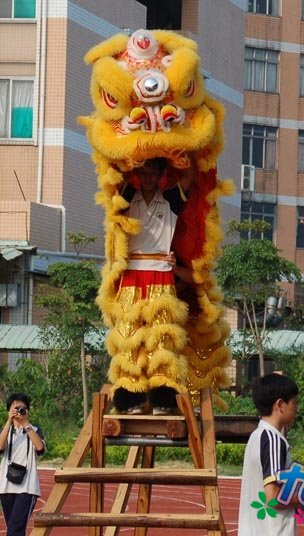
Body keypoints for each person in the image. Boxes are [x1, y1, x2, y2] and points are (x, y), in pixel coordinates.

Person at [109, 157, 192, 415]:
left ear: (160, 174)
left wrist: (181, 151)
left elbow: (189, 176)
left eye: (153, 173)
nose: (147, 178)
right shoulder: (126, 195)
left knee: (162, 336)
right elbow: (112, 173)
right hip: (131, 273)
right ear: (137, 172)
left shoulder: (170, 198)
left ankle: (163, 399)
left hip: (161, 272)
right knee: (129, 335)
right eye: (143, 172)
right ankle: (130, 397)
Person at [238, 373, 299, 536]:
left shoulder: (257, 436)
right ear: (280, 405)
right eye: (294, 402)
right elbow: (273, 496)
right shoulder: (273, 440)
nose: (296, 408)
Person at [0, 393, 46, 536]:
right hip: (6, 487)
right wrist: (9, 422)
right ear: (9, 410)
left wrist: (25, 424)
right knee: (14, 529)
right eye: (15, 408)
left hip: (27, 487)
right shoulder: (5, 430)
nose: (19, 412)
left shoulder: (34, 430)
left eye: (22, 409)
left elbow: (40, 448)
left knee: (15, 529)